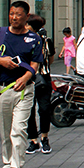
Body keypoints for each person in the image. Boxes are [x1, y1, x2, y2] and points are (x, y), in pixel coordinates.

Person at [0, 1, 42, 168]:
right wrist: (1, 61)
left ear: (27, 16)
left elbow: (35, 64)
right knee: (6, 131)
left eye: (18, 14)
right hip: (2, 89)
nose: (14, 17)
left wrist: (25, 78)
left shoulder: (34, 39)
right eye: (11, 14)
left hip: (24, 90)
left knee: (19, 129)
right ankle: (7, 167)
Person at [26, 15, 55, 155]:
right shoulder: (23, 40)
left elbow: (51, 59)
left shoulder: (46, 41)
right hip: (27, 79)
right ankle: (33, 140)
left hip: (43, 78)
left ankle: (44, 138)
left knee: (44, 109)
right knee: (29, 110)